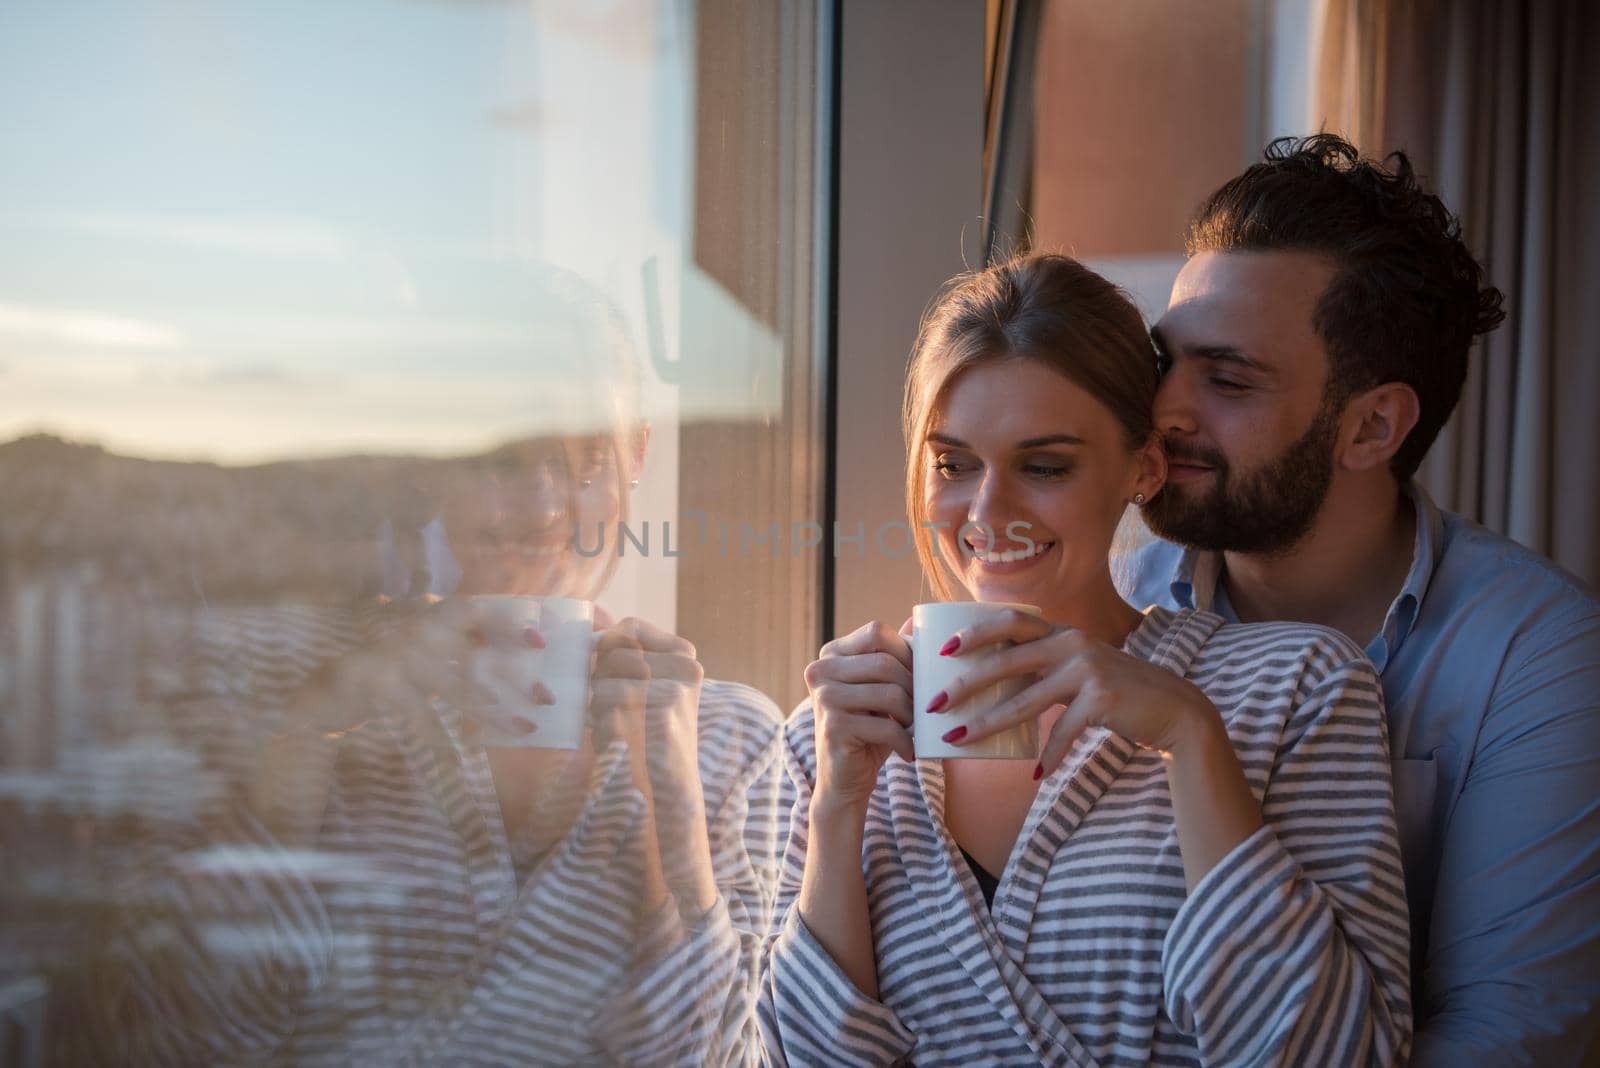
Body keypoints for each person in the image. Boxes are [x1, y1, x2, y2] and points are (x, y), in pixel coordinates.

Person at [44, 269, 784, 1066]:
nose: (542, 508)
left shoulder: (728, 742)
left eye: (585, 462)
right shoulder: (294, 690)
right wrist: (303, 752)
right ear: (431, 459)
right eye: (502, 461)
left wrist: (663, 811)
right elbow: (184, 1040)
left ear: (637, 451)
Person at [758, 252, 1412, 1066]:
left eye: (1044, 466)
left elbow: (1343, 1053)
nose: (987, 511)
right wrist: (836, 807)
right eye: (954, 464)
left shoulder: (1294, 688)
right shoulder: (830, 737)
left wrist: (1188, 733)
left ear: (1142, 468)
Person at [1121, 133, 1600, 1064]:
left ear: (1373, 425)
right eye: (1162, 366)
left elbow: (1507, 1039)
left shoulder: (1541, 659)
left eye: (1225, 378)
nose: (1164, 411)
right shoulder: (1119, 596)